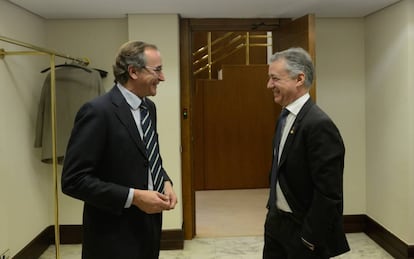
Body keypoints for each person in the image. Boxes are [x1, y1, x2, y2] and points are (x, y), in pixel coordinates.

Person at [61, 41, 177, 259]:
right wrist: (134, 197)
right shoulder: (97, 112)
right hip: (112, 236)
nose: (162, 78)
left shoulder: (148, 108)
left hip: (148, 228)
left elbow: (147, 156)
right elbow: (74, 181)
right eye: (158, 70)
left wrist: (165, 180)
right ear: (133, 71)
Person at [263, 47, 350, 259]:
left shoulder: (319, 125)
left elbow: (329, 193)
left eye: (275, 79)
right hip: (277, 224)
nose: (269, 85)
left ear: (299, 79)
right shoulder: (284, 117)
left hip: (303, 232)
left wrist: (309, 238)